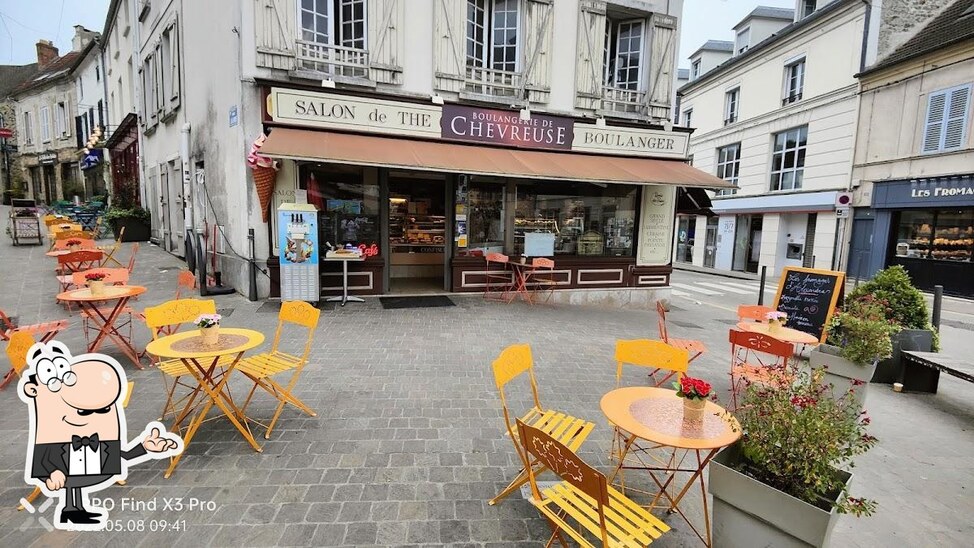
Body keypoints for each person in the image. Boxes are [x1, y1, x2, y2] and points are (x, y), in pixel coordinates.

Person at [19, 341, 181, 530]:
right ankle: (72, 510)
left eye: (102, 410)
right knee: (73, 480)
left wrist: (144, 448)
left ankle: (74, 509)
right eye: (83, 412)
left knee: (77, 481)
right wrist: (49, 474)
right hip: (67, 470)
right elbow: (44, 458)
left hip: (92, 468)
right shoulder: (51, 438)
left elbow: (121, 456)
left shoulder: (100, 437)